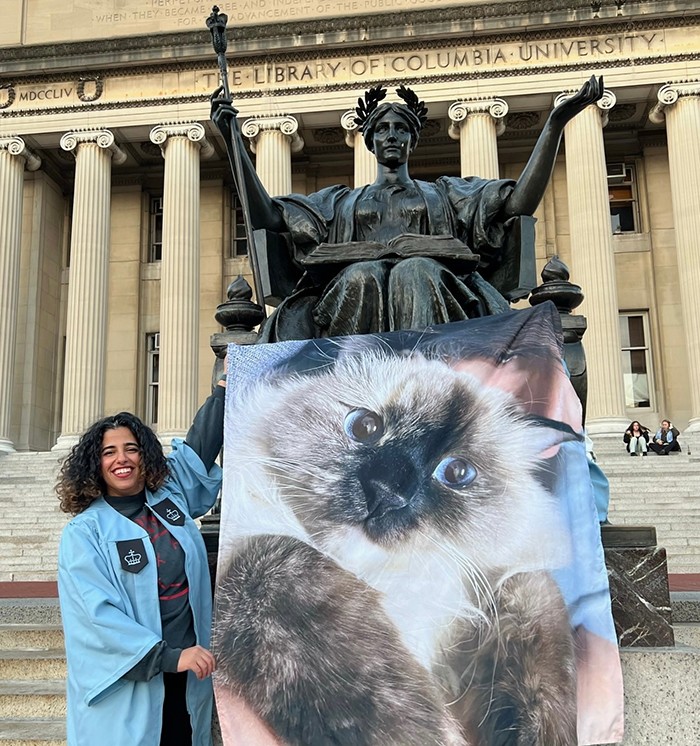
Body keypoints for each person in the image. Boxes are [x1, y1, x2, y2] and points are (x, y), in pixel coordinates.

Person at [211, 76, 604, 342]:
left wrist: (555, 124)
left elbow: (518, 203)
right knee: (361, 275)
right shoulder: (340, 202)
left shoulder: (448, 194)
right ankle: (360, 379)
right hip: (354, 297)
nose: (392, 136)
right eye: (382, 129)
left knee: (414, 271)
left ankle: (422, 381)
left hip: (437, 293)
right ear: (369, 141)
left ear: (413, 140)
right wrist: (232, 142)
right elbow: (267, 216)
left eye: (401, 129)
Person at [56, 375, 226, 746]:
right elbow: (94, 617)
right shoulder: (86, 533)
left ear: (144, 455)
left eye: (131, 449)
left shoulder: (168, 500)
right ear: (95, 464)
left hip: (188, 676)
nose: (122, 459)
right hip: (130, 684)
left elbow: (199, 448)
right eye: (108, 452)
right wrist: (167, 658)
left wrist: (224, 389)